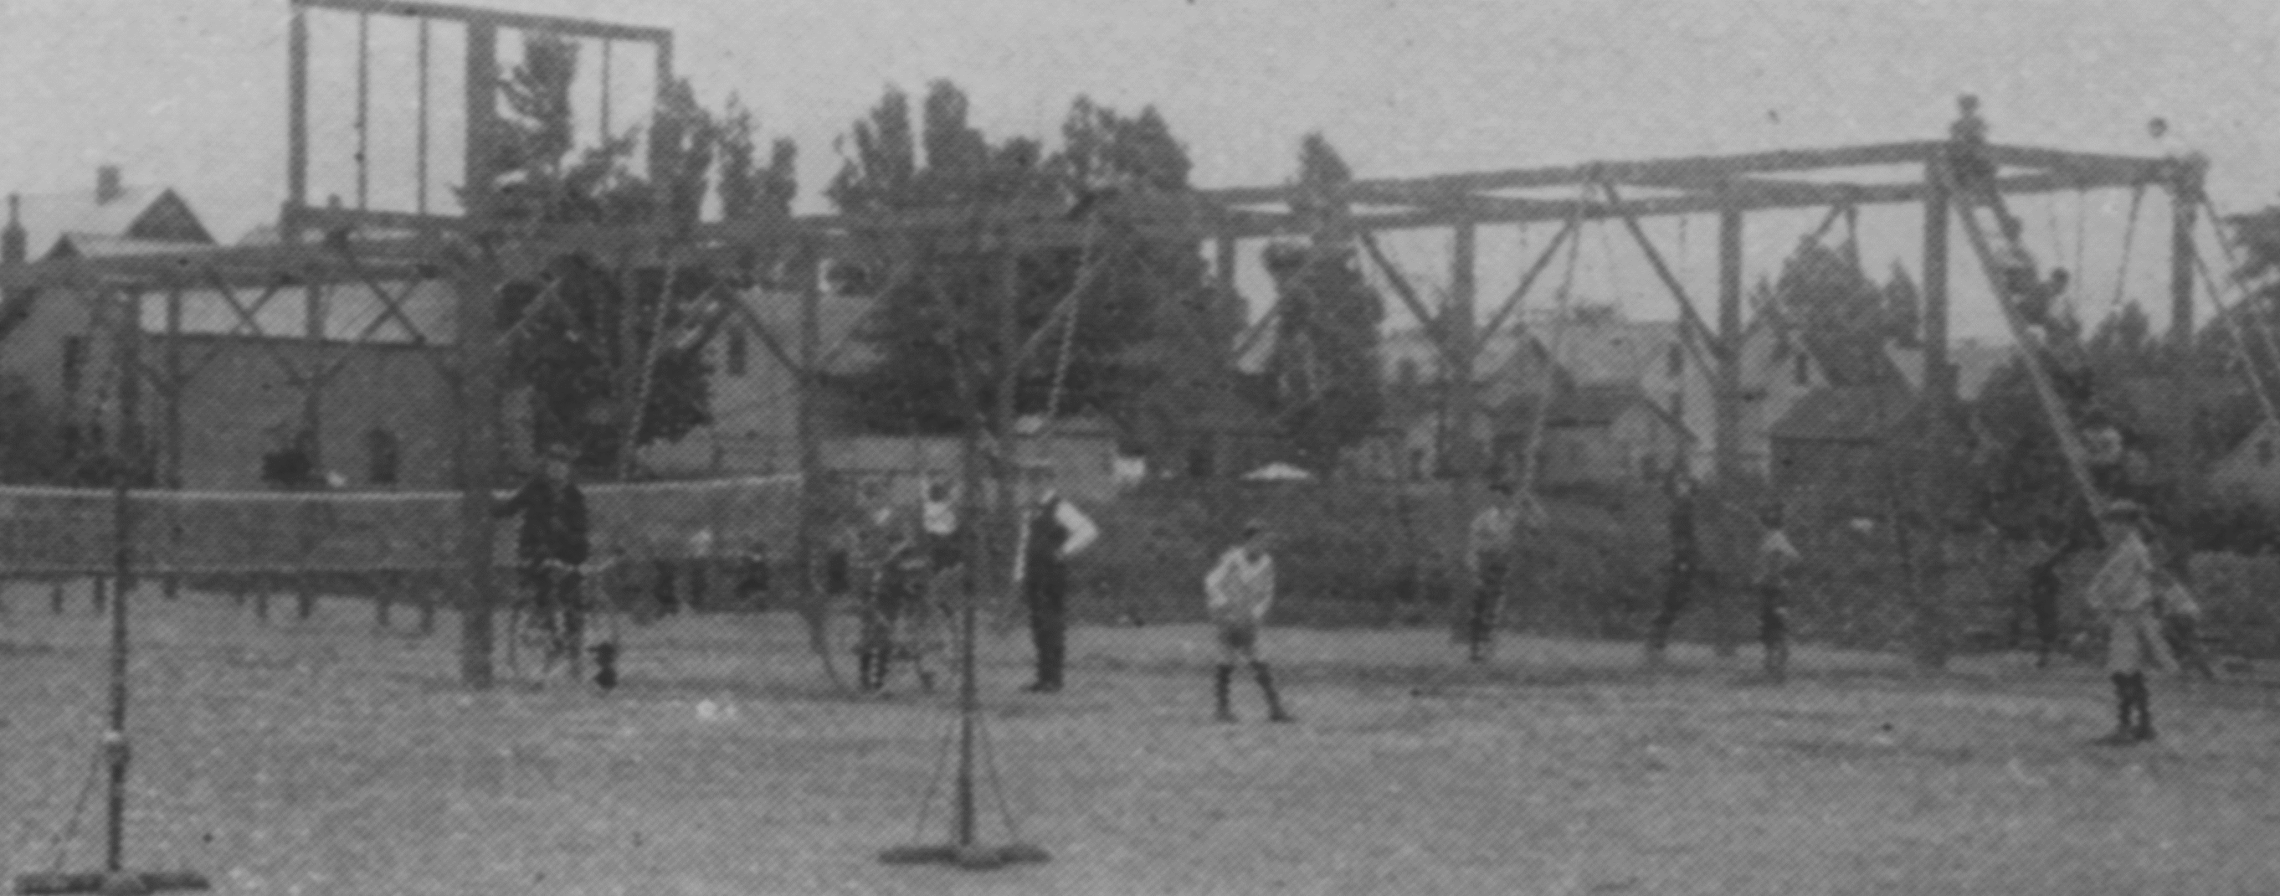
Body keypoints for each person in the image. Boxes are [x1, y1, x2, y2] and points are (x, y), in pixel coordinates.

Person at [491, 443, 592, 679]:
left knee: (572, 597)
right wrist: (486, 500)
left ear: (568, 469)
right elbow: (509, 507)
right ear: (545, 467)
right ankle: (550, 636)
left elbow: (581, 532)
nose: (556, 470)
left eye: (562, 465)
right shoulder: (535, 488)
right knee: (541, 589)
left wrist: (566, 536)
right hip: (536, 551)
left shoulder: (574, 496)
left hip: (566, 553)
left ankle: (573, 650)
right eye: (552, 465)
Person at [2082, 501, 2173, 744]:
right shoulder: (2128, 548)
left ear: (2127, 524)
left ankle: (2125, 727)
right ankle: (2144, 725)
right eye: (2110, 522)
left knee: (2123, 673)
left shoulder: (2133, 550)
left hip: (2131, 616)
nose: (2110, 527)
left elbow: (2122, 586)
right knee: (2130, 672)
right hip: (2130, 616)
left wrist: (2103, 604)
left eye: (2114, 522)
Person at [1205, 520, 1294, 723]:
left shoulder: (1267, 562)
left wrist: (1256, 613)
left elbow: (1267, 593)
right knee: (1226, 657)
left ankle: (1276, 709)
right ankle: (1222, 709)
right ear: (1248, 540)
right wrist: (1224, 604)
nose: (1263, 544)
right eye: (1258, 540)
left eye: (1265, 540)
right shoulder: (1232, 558)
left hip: (1247, 615)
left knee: (1258, 657)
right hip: (1226, 613)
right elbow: (1211, 582)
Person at [1019, 480, 1099, 693]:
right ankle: (1043, 677)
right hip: (1033, 573)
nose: (1031, 485)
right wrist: (1019, 574)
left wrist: (1064, 551)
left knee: (1051, 623)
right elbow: (1023, 543)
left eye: (1036, 479)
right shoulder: (1031, 509)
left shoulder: (1061, 507)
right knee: (1037, 624)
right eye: (1029, 479)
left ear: (1047, 481)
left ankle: (1054, 679)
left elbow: (1088, 531)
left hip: (1051, 573)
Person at [857, 530, 931, 694]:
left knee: (881, 643)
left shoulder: (895, 564)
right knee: (878, 642)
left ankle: (874, 682)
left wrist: (913, 591)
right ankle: (872, 683)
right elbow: (890, 587)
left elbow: (904, 585)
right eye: (903, 550)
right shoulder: (887, 564)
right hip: (879, 604)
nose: (905, 555)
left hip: (887, 604)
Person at [1645, 471, 1702, 664]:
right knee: (1675, 599)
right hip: (1682, 558)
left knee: (1678, 600)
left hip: (1688, 556)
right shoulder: (1680, 508)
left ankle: (1657, 639)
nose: (1684, 488)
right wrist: (1683, 558)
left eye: (1686, 484)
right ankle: (1656, 640)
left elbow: (1690, 533)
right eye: (1681, 485)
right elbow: (1680, 535)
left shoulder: (1689, 506)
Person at [1463, 482, 1522, 663]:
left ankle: (1489, 649)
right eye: (1496, 496)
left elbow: (1539, 525)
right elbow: (1473, 544)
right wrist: (1473, 568)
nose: (1499, 500)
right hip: (1484, 564)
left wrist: (1528, 500)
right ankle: (1475, 649)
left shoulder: (1514, 518)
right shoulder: (1484, 518)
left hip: (1502, 566)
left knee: (1495, 609)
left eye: (1504, 496)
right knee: (1479, 606)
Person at [1754, 503, 1803, 682]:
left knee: (1776, 626)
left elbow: (1794, 558)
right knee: (1772, 627)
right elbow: (1794, 558)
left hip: (1775, 589)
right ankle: (1774, 666)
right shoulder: (1771, 538)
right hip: (1772, 588)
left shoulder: (1775, 537)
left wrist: (1777, 571)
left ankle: (1776, 666)